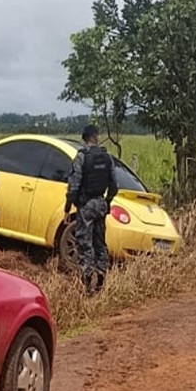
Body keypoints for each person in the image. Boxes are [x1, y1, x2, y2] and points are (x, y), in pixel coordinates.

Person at [64, 124, 120, 296]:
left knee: (84, 244)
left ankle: (87, 285)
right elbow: (114, 186)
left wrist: (68, 207)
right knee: (100, 243)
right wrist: (107, 201)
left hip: (86, 206)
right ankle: (101, 280)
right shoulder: (107, 158)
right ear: (96, 137)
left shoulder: (81, 158)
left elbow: (73, 186)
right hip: (100, 204)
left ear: (84, 139)